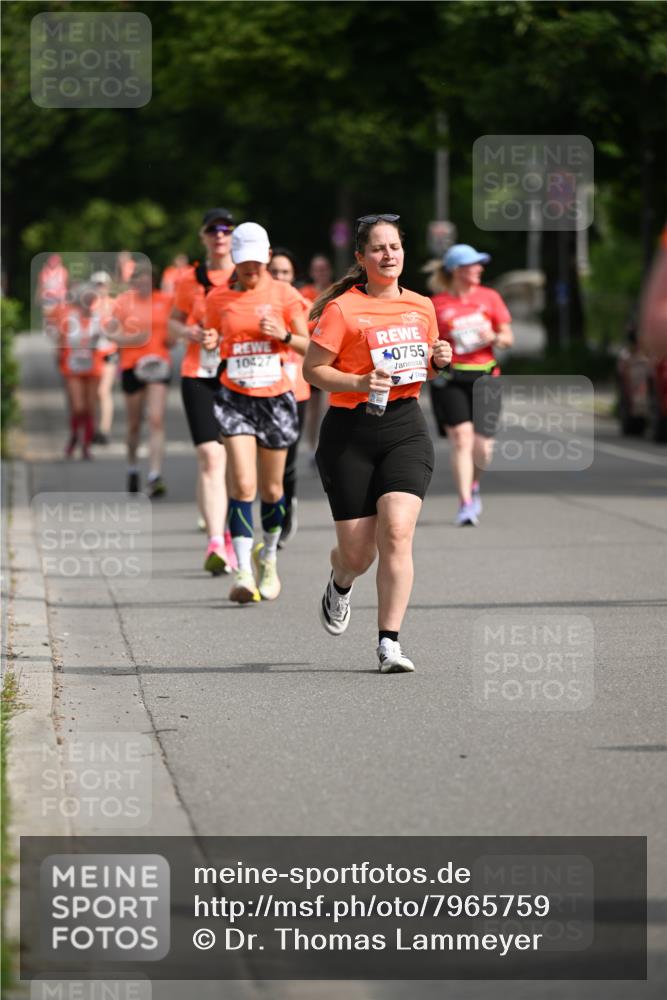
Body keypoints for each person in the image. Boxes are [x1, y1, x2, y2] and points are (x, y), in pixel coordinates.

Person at [302, 213, 452, 673]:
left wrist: (439, 359)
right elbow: (313, 370)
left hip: (405, 426)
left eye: (395, 247)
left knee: (397, 531)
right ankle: (340, 582)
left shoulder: (422, 305)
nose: (389, 255)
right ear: (362, 258)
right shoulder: (342, 309)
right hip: (350, 431)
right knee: (358, 553)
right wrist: (360, 380)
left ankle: (389, 642)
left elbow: (424, 364)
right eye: (379, 249)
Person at [203, 223, 309, 603]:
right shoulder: (217, 298)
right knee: (243, 485)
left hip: (277, 398)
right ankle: (243, 571)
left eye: (256, 261)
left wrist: (281, 334)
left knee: (272, 489)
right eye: (243, 261)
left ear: (266, 257)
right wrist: (211, 341)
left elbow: (308, 346)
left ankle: (269, 559)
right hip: (235, 398)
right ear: (234, 258)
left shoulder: (284, 294)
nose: (250, 268)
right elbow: (212, 337)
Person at [169, 208, 237, 575]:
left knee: (233, 462)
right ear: (203, 236)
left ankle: (228, 532)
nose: (220, 235)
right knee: (211, 458)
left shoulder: (245, 275)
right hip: (198, 373)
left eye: (227, 229)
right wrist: (189, 333)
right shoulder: (189, 279)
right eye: (214, 230)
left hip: (237, 375)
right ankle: (216, 541)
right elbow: (173, 323)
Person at [430, 244, 513, 526]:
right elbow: (428, 343)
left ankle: (474, 486)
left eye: (480, 264)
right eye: (474, 265)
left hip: (486, 377)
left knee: (483, 449)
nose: (479, 269)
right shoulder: (436, 304)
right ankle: (465, 503)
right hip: (452, 378)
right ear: (456, 270)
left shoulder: (490, 297)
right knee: (461, 439)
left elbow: (507, 337)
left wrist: (494, 336)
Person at [105, 263, 173, 496]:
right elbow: (109, 333)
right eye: (138, 281)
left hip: (158, 365)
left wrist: (173, 338)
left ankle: (155, 475)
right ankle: (133, 467)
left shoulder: (165, 300)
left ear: (153, 281)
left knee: (156, 420)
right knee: (134, 425)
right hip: (131, 366)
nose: (142, 284)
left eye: (147, 280)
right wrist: (129, 338)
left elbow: (172, 335)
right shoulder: (124, 302)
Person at [268, 247, 312, 546]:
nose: (280, 277)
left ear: (293, 275)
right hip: (260, 391)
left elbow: (313, 348)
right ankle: (270, 505)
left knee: (288, 459)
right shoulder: (258, 304)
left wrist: (283, 336)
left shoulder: (304, 305)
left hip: (295, 391)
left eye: (285, 272)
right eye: (275, 272)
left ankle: (286, 508)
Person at [53, 282, 105, 460]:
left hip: (93, 367)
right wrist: (60, 362)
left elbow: (106, 341)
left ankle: (86, 445)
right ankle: (75, 436)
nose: (89, 302)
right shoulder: (68, 317)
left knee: (90, 407)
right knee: (78, 407)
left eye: (92, 298)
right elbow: (60, 343)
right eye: (87, 298)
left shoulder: (98, 318)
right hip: (72, 367)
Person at [301, 254, 334, 464]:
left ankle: (329, 445)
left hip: (335, 356)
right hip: (312, 355)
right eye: (316, 269)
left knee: (333, 404)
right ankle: (312, 448)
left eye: (323, 269)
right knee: (313, 408)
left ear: (329, 271)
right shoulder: (305, 295)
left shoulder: (336, 292)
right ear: (312, 272)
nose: (320, 273)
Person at [89, 271, 117, 445]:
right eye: (97, 284)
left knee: (103, 391)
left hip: (109, 351)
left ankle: (104, 429)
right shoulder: (88, 305)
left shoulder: (115, 305)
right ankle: (92, 429)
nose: (100, 288)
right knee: (93, 394)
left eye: (103, 284)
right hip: (92, 352)